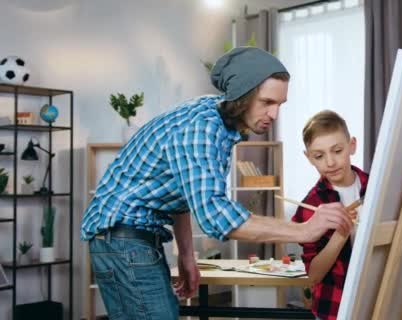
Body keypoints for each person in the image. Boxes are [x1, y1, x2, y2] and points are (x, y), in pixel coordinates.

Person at [80, 47, 353, 320]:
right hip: (121, 234)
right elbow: (216, 217)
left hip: (125, 235)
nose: (274, 114)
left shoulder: (218, 123)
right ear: (242, 97)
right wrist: (304, 231)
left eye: (280, 104)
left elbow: (183, 195)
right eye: (267, 102)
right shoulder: (200, 128)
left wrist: (187, 256)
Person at [292, 110, 368, 320]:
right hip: (334, 306)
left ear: (352, 145)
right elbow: (314, 275)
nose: (330, 162)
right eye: (319, 155)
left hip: (380, 297)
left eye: (337, 151)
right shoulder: (310, 205)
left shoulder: (378, 186)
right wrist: (340, 235)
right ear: (309, 158)